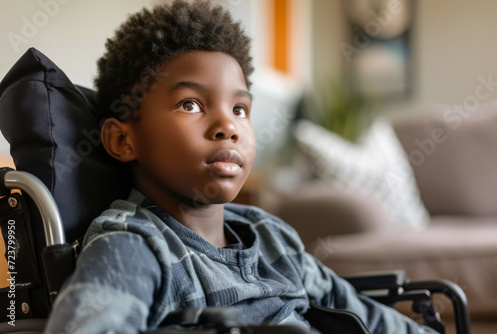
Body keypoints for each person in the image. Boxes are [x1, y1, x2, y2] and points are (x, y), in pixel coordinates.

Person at [44, 1, 437, 333]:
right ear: (122, 140)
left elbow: (366, 314)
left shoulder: (271, 235)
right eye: (190, 104)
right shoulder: (132, 245)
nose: (228, 127)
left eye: (239, 109)